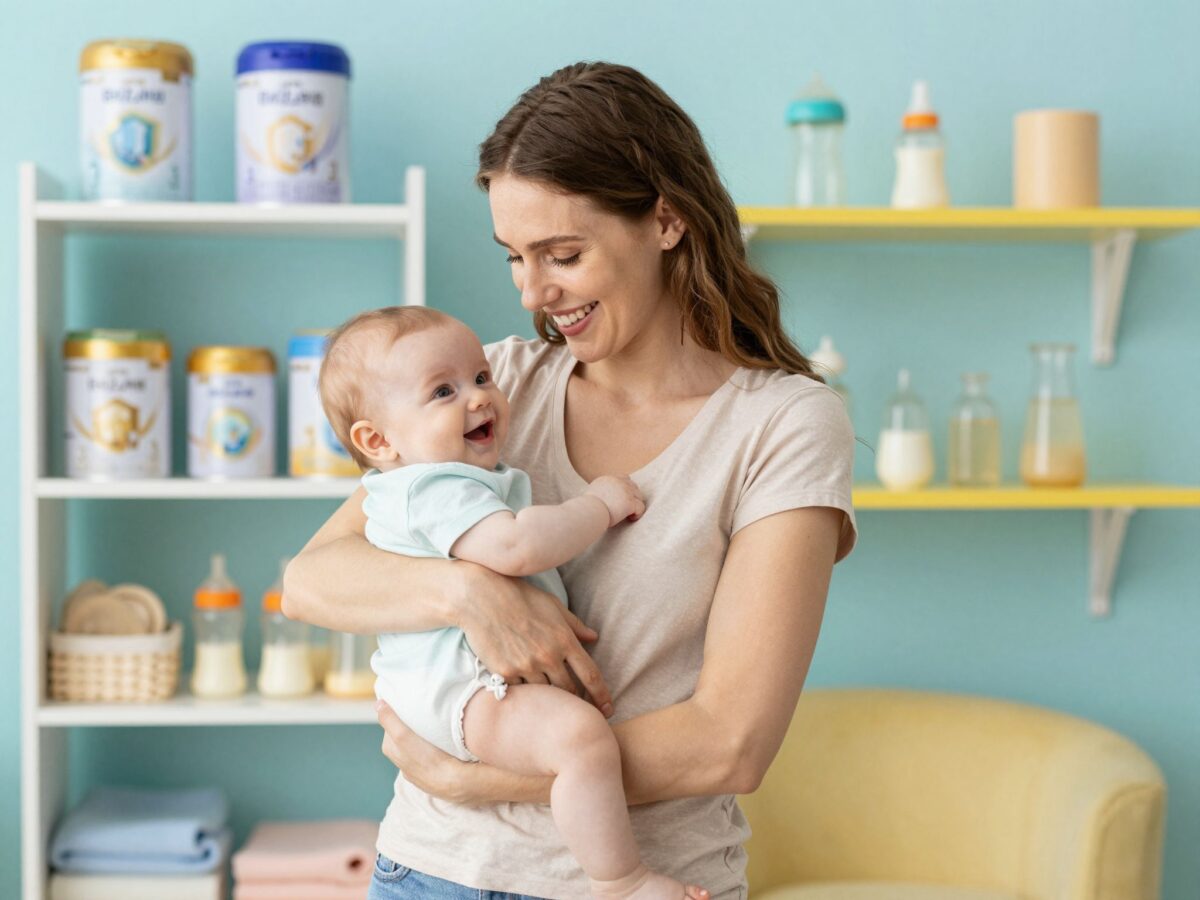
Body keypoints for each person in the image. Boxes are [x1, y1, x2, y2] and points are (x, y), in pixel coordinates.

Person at [285, 61, 858, 900]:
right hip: (430, 872)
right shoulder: (495, 385)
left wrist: (473, 778)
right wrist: (471, 596)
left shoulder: (783, 424)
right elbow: (312, 580)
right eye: (515, 257)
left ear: (666, 220)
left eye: (562, 254)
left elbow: (730, 744)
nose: (533, 291)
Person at [317, 304, 706, 899]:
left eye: (480, 378)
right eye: (442, 391)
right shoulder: (432, 486)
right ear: (378, 440)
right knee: (578, 740)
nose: (478, 398)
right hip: (464, 692)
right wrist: (601, 505)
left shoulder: (439, 479)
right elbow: (517, 545)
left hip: (451, 692)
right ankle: (620, 879)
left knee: (573, 738)